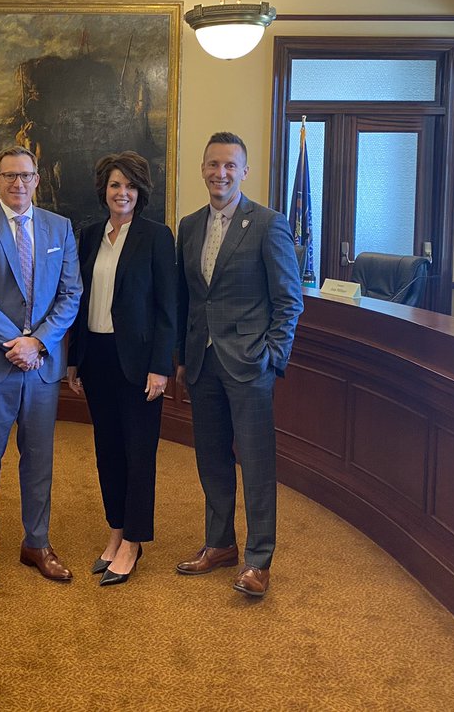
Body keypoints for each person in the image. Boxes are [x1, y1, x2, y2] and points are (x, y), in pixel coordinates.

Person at [174, 132, 303, 598]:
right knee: (210, 460)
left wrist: (272, 357)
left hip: (251, 366)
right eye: (212, 164)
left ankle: (258, 560)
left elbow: (290, 300)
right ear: (203, 168)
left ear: (244, 171)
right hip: (202, 364)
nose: (220, 173)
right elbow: (188, 299)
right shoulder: (189, 226)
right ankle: (220, 543)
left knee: (256, 464)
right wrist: (183, 359)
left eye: (230, 165)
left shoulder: (268, 224)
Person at [0, 146, 82, 596]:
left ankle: (37, 543)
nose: (18, 183)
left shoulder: (59, 228)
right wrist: (16, 343)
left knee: (39, 461)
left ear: (37, 180)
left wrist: (38, 343)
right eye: (9, 176)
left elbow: (70, 294)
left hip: (41, 367)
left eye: (25, 176)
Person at [66, 151, 176, 587]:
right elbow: (78, 300)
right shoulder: (90, 235)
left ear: (141, 192)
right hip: (98, 360)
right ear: (104, 191)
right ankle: (115, 532)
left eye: (130, 186)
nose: (122, 193)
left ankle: (134, 542)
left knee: (138, 454)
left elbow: (168, 308)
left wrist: (160, 367)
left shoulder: (156, 236)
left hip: (139, 364)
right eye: (115, 185)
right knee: (108, 451)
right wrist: (74, 358)